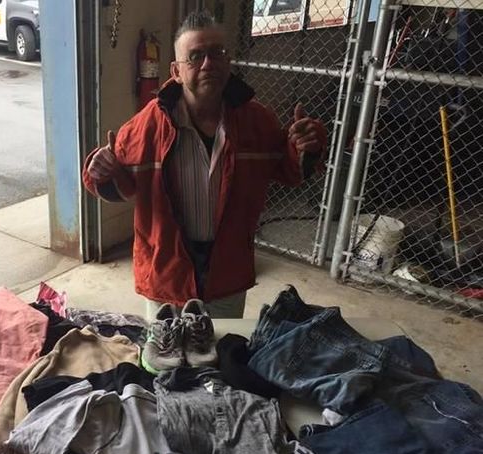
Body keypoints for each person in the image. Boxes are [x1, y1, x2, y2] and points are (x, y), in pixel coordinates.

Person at [82, 10, 327, 322]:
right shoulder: (147, 126)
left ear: (228, 61)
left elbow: (290, 171)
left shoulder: (256, 121)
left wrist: (306, 147)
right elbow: (118, 185)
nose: (209, 63)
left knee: (222, 345)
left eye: (217, 53)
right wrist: (102, 169)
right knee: (165, 350)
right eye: (196, 56)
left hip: (227, 271)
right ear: (176, 70)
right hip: (166, 272)